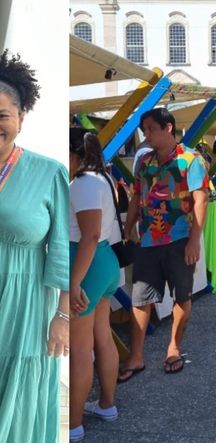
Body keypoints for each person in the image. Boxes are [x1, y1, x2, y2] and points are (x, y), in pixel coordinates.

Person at [0, 50, 69, 442]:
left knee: (18, 404)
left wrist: (62, 317)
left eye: (2, 115)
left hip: (24, 309)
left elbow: (59, 246)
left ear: (21, 117)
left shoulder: (49, 173)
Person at [120, 108, 209, 380]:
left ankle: (174, 347)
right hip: (147, 240)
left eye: (150, 129)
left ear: (167, 127)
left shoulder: (190, 159)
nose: (146, 135)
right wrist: (128, 227)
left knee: (181, 295)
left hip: (179, 240)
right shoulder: (145, 161)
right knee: (140, 298)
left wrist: (194, 240)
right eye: (144, 130)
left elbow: (200, 199)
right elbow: (137, 196)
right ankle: (136, 356)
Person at [69, 128, 121, 442]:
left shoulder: (82, 184)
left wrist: (74, 282)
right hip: (104, 262)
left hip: (87, 264)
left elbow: (88, 235)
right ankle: (107, 405)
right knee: (102, 337)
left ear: (75, 153)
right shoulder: (103, 178)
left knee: (79, 348)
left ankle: (73, 424)